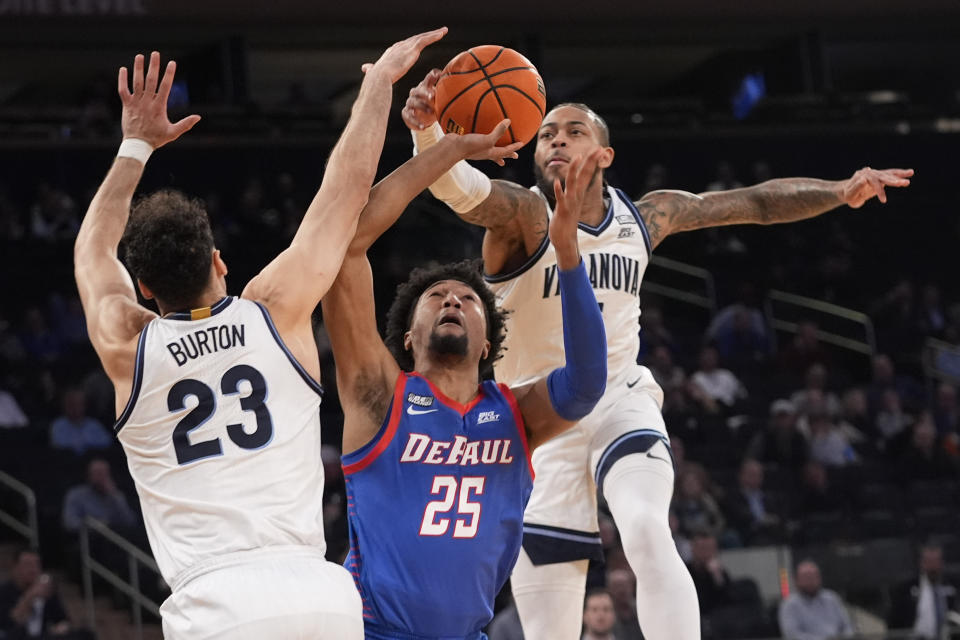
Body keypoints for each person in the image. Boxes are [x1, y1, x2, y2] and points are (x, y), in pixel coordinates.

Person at [403, 70, 912, 639]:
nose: (556, 141)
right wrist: (427, 134)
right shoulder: (524, 216)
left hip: (620, 399)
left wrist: (841, 190)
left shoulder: (645, 217)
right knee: (549, 625)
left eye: (572, 131)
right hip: (537, 423)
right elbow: (464, 192)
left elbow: (754, 204)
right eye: (546, 134)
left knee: (646, 528)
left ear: (604, 153)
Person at [73, 31, 446, 639]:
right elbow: (344, 195)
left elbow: (91, 248)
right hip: (317, 591)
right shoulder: (274, 310)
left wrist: (135, 146)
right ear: (219, 261)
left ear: (143, 288)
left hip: (215, 602)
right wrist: (377, 84)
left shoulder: (127, 345)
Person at [322, 135, 607, 637]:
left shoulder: (516, 413)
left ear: (486, 346)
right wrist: (446, 151)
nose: (453, 301)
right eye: (436, 296)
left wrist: (567, 255)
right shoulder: (381, 395)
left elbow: (586, 384)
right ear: (408, 338)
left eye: (469, 300)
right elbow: (347, 247)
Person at [0, 548, 91, 640]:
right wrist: (30, 596)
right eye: (28, 564)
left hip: (44, 636)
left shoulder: (47, 591)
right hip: (19, 637)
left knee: (85, 634)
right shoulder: (5, 592)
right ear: (15, 568)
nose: (33, 569)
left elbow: (62, 620)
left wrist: (61, 627)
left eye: (36, 564)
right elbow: (8, 624)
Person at [888, 542, 958, 639]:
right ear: (922, 563)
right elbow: (894, 623)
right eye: (929, 561)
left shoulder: (952, 587)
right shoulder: (905, 589)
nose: (932, 566)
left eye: (935, 561)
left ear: (942, 563)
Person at [778, 560, 855, 640]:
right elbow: (793, 635)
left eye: (814, 577)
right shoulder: (789, 605)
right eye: (806, 578)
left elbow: (847, 626)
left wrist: (845, 637)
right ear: (797, 580)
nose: (811, 581)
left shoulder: (831, 598)